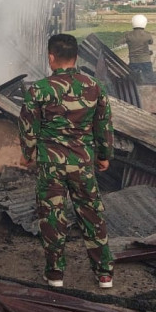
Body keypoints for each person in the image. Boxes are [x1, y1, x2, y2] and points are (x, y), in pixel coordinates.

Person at [18, 33, 115, 289]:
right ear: (76, 57)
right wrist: (104, 156)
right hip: (82, 161)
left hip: (50, 164)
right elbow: (103, 125)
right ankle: (104, 273)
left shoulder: (38, 89)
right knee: (92, 214)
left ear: (51, 58)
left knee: (51, 216)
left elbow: (28, 126)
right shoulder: (95, 86)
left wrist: (28, 154)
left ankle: (55, 274)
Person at [122, 14, 154, 79]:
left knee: (134, 80)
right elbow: (151, 42)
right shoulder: (147, 35)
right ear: (144, 23)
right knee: (149, 79)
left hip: (133, 61)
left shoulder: (128, 35)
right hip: (146, 60)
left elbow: (119, 42)